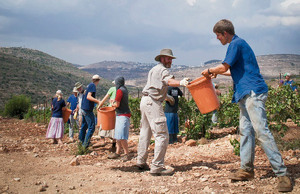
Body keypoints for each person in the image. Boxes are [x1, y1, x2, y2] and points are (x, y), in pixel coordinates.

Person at [201, 19, 292, 192]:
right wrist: (216, 73)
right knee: (246, 131)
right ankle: (246, 170)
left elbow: (224, 66)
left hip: (252, 92)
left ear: (225, 33)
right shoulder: (238, 44)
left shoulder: (235, 43)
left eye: (218, 35)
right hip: (244, 93)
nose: (217, 39)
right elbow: (231, 70)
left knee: (261, 131)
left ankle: (283, 175)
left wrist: (210, 71)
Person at [136, 48, 189, 176]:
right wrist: (181, 83)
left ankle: (141, 161)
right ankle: (157, 167)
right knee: (162, 135)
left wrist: (166, 97)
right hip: (153, 102)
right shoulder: (163, 70)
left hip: (145, 100)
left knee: (145, 132)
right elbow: (168, 81)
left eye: (171, 58)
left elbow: (155, 86)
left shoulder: (154, 69)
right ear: (162, 59)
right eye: (168, 58)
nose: (170, 60)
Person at [107, 77, 131, 161]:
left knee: (121, 136)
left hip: (122, 115)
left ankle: (126, 154)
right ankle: (117, 152)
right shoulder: (124, 89)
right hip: (122, 114)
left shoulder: (120, 91)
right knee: (118, 135)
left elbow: (117, 104)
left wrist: (112, 103)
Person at [79, 75, 101, 148]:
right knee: (91, 127)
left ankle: (81, 141)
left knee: (84, 126)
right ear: (98, 80)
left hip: (83, 108)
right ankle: (85, 145)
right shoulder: (92, 86)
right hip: (87, 109)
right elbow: (89, 96)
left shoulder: (89, 85)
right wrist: (98, 101)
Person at [95, 82, 117, 152]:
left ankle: (102, 140)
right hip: (116, 111)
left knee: (103, 124)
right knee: (114, 127)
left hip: (110, 109)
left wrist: (99, 107)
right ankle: (114, 144)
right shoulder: (122, 90)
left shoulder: (112, 89)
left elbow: (104, 99)